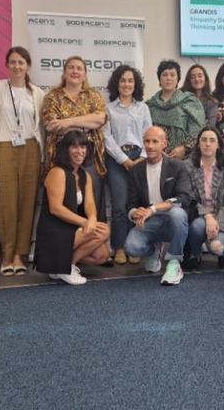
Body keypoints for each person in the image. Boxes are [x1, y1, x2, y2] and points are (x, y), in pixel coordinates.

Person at [0, 47, 45, 276]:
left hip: (30, 147)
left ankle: (20, 254)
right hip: (3, 145)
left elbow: (40, 126)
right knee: (6, 202)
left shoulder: (37, 93)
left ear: (28, 66)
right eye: (13, 62)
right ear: (7, 65)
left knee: (27, 202)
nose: (17, 66)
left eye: (21, 62)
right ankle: (7, 254)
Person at [35, 130, 111, 285]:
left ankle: (65, 265)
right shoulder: (57, 172)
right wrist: (85, 223)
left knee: (102, 255)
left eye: (83, 147)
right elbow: (56, 208)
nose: (80, 151)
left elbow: (90, 203)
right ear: (66, 150)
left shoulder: (84, 175)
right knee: (102, 232)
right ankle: (64, 268)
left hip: (71, 229)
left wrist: (92, 219)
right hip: (54, 231)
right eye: (74, 147)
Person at [124, 126, 192, 285]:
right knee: (131, 247)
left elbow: (183, 198)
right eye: (147, 141)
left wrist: (153, 209)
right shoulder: (136, 170)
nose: (150, 145)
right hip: (149, 221)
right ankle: (154, 251)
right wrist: (135, 213)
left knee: (178, 213)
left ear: (164, 144)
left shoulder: (178, 166)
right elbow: (131, 203)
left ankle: (174, 263)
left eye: (155, 141)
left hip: (171, 219)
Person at [42, 56, 108, 220]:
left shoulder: (93, 95)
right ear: (64, 72)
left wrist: (68, 122)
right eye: (71, 67)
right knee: (66, 199)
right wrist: (86, 122)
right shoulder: (52, 97)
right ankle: (68, 241)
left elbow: (100, 119)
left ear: (85, 74)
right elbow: (52, 125)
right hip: (62, 155)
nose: (75, 71)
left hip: (90, 155)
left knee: (93, 199)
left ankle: (93, 234)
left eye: (79, 68)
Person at [103, 65, 152, 265]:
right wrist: (124, 160)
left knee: (139, 203)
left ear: (136, 84)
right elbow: (107, 137)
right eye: (123, 80)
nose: (126, 84)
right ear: (117, 83)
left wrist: (140, 157)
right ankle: (120, 247)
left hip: (140, 157)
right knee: (120, 205)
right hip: (117, 159)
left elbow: (148, 134)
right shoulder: (109, 108)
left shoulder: (143, 108)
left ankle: (135, 246)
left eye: (130, 80)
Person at [184, 127, 224, 270]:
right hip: (200, 215)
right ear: (198, 144)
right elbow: (190, 198)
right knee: (196, 227)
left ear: (218, 145)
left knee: (217, 247)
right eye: (203, 140)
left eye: (212, 140)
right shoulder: (188, 166)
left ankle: (220, 251)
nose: (207, 144)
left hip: (222, 217)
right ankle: (195, 254)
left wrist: (216, 223)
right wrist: (208, 216)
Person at [146, 59, 205, 160]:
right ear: (159, 79)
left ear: (178, 79)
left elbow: (198, 130)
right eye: (164, 75)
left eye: (172, 75)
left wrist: (185, 149)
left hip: (184, 159)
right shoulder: (150, 105)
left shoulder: (189, 101)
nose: (168, 78)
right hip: (155, 159)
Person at [181, 64, 218, 128]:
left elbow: (211, 126)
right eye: (193, 77)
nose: (197, 79)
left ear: (205, 78)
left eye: (200, 76)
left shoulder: (212, 102)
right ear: (189, 80)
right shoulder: (181, 98)